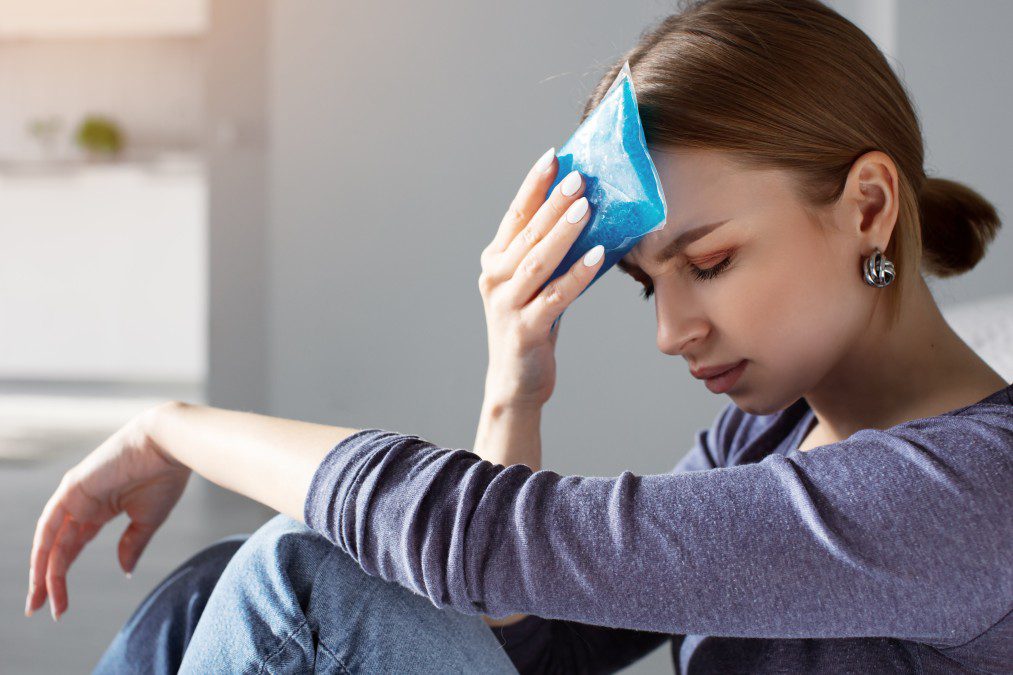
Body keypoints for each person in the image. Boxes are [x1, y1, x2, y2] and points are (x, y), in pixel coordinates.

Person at [25, 0, 1012, 672]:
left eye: (706, 262)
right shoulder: (765, 436)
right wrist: (515, 384)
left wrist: (173, 428)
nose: (672, 331)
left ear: (867, 206)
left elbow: (482, 543)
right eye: (642, 288)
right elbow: (521, 644)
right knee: (214, 586)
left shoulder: (970, 494)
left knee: (308, 577)